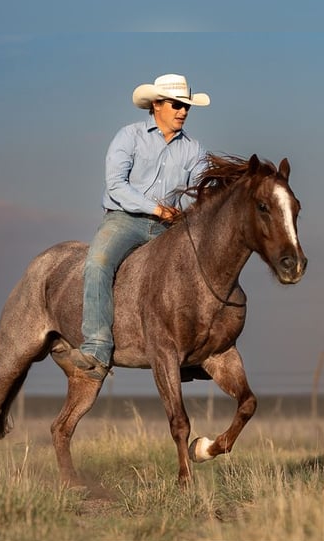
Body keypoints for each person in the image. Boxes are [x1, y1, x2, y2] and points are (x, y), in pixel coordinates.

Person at [68, 73, 211, 380]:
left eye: (187, 107)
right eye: (176, 105)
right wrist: (157, 208)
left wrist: (180, 213)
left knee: (199, 273)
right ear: (156, 104)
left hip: (170, 227)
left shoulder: (195, 149)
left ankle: (190, 355)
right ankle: (96, 346)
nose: (183, 111)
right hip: (124, 219)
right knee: (97, 263)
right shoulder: (128, 137)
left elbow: (200, 191)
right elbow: (116, 185)